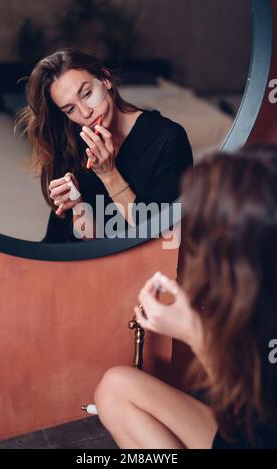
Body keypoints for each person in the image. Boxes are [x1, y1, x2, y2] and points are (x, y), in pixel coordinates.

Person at [94, 144, 277, 449]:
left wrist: (196, 335)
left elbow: (254, 426)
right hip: (249, 426)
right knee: (114, 387)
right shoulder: (258, 297)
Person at [14, 48, 193, 242]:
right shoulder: (73, 139)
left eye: (87, 93)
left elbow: (161, 235)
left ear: (105, 79)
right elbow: (91, 244)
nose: (85, 113)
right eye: (70, 109)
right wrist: (77, 205)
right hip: (90, 260)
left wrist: (109, 174)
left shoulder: (167, 138)